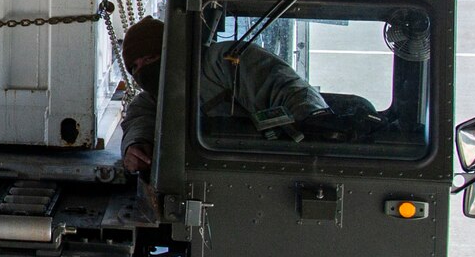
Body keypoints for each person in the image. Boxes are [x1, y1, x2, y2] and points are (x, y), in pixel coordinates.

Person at [118, 15, 331, 172]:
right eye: (134, 68)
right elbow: (138, 123)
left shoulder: (224, 61)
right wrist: (136, 146)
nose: (143, 71)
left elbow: (285, 87)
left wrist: (314, 123)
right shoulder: (150, 101)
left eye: (149, 58)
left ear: (169, 48)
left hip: (275, 164)